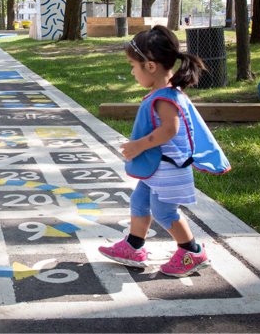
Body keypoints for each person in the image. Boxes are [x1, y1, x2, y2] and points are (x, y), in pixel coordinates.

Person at [98, 26, 230, 277]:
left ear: (150, 66)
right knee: (139, 200)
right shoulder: (165, 93)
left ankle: (191, 251)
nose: (131, 71)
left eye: (132, 65)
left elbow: (170, 129)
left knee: (163, 211)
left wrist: (139, 145)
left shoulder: (164, 98)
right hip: (158, 167)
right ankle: (133, 247)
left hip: (169, 168)